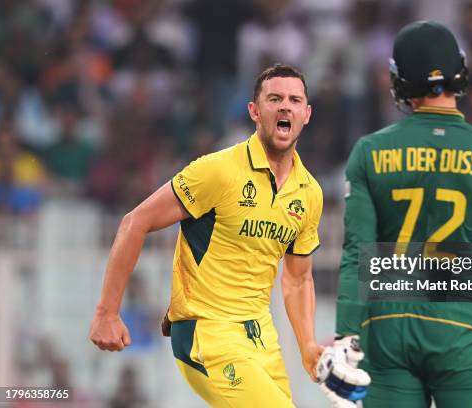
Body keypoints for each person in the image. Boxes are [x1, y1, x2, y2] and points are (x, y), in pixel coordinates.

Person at [89, 64, 325, 408]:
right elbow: (134, 223)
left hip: (261, 338)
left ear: (307, 114)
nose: (285, 106)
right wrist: (106, 312)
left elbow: (298, 279)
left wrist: (306, 345)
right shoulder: (218, 170)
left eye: (294, 100)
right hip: (206, 332)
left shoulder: (309, 192)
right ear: (254, 112)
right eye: (274, 99)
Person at [333, 21, 472, 407]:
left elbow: (359, 254)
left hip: (386, 328)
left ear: (399, 81)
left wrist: (345, 337)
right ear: (461, 72)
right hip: (461, 325)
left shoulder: (369, 152)